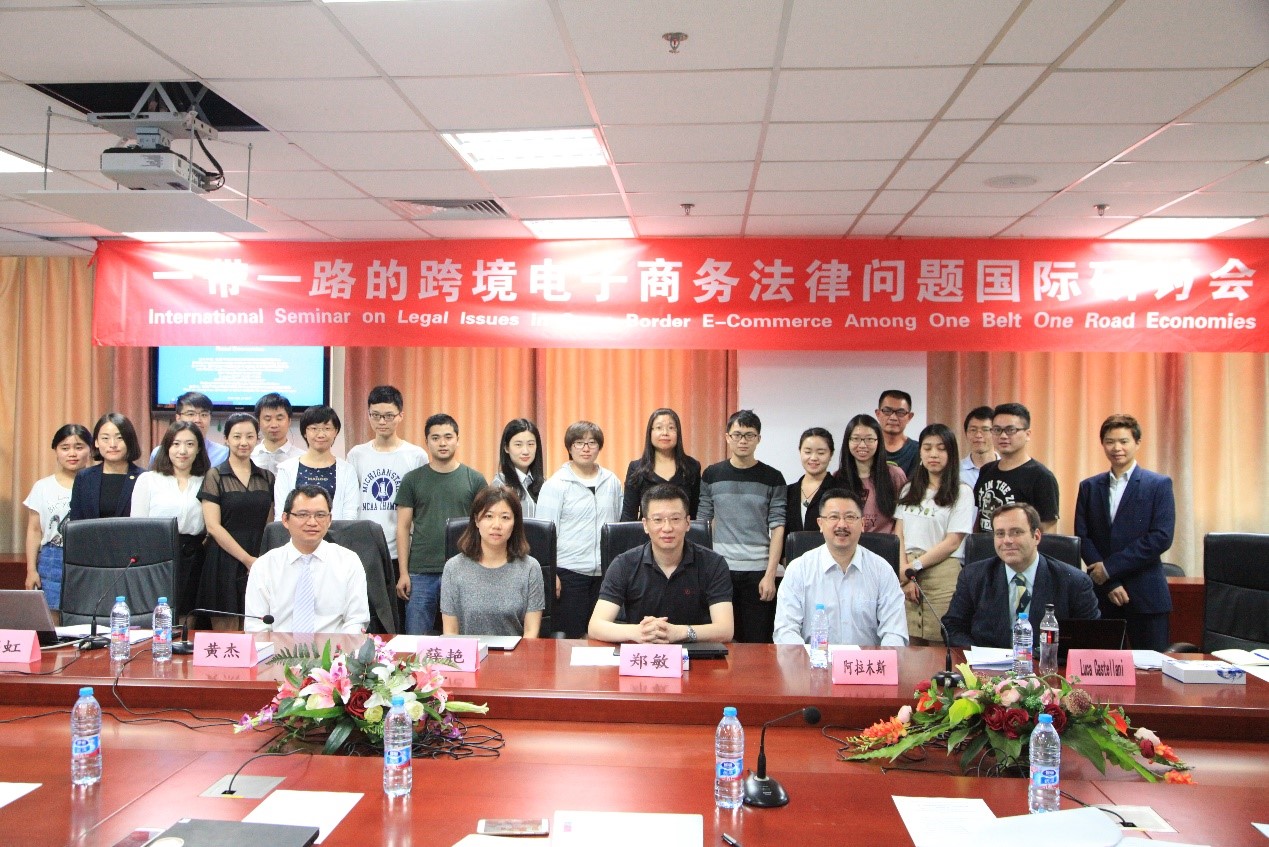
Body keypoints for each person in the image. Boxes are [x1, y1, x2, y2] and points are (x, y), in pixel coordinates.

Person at [1075, 414, 1176, 652]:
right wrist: (1109, 582)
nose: (1116, 448)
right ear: (1102, 444)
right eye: (1110, 442)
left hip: (1146, 595)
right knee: (1102, 665)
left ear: (1137, 443)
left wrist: (1109, 569)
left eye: (1124, 441)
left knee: (1151, 668)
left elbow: (1161, 537)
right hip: (1103, 593)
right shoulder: (1089, 486)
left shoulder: (1158, 484)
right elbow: (1083, 537)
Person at [589, 484, 734, 644]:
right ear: (645, 524)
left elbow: (725, 629)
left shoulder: (713, 564)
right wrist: (638, 632)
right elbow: (596, 626)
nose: (667, 528)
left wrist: (680, 632)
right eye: (657, 520)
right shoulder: (624, 564)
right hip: (642, 653)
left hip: (696, 653)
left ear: (687, 523)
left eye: (675, 519)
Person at [942, 503, 1099, 649]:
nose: (1007, 541)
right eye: (1000, 534)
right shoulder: (973, 576)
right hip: (987, 666)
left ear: (1036, 536)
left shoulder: (1075, 582)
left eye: (1016, 532)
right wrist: (980, 655)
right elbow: (952, 627)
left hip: (1047, 666)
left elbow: (1091, 638)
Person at [774, 489, 908, 647]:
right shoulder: (799, 569)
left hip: (866, 662)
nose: (842, 525)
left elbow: (895, 633)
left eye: (850, 517)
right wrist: (807, 659)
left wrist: (884, 659)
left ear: (862, 524)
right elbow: (785, 631)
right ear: (820, 524)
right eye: (834, 517)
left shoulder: (882, 570)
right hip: (813, 660)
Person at [697, 410, 785, 643]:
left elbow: (778, 526)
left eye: (749, 435)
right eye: (737, 435)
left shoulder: (773, 478)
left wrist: (770, 575)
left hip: (758, 571)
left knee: (756, 641)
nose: (743, 440)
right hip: (719, 568)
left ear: (758, 439)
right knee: (720, 639)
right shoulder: (712, 475)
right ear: (727, 437)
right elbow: (703, 522)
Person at [395, 414, 487, 634]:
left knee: (466, 637)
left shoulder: (474, 479)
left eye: (448, 437)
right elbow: (403, 528)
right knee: (415, 640)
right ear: (426, 442)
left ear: (458, 440)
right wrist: (403, 572)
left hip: (465, 568)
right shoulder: (412, 480)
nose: (442, 443)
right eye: (435, 438)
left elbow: (485, 526)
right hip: (421, 571)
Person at [536, 420, 623, 639]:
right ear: (569, 447)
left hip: (606, 573)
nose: (586, 448)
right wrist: (552, 574)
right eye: (579, 443)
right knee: (572, 639)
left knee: (602, 638)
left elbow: (618, 525)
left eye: (592, 443)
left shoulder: (612, 481)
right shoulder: (556, 484)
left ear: (599, 447)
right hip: (568, 573)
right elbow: (544, 536)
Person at [245, 485, 369, 635]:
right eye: (303, 515)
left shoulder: (349, 562)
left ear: (330, 519)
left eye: (320, 515)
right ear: (285, 519)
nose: (312, 522)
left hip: (333, 648)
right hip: (278, 649)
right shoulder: (264, 566)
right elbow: (256, 627)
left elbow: (356, 621)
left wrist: (339, 650)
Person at [896, 424, 975, 643]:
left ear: (951, 454)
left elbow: (953, 542)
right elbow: (899, 533)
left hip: (942, 571)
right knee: (909, 642)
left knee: (940, 641)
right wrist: (904, 572)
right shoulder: (909, 489)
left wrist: (913, 568)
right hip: (907, 570)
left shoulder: (962, 492)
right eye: (927, 447)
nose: (933, 454)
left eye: (941, 448)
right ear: (920, 452)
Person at [199, 413, 276, 630]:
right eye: (237, 436)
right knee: (227, 634)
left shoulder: (267, 477)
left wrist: (258, 561)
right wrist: (246, 559)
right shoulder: (215, 476)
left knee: (258, 629)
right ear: (226, 439)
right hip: (223, 560)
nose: (243, 442)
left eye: (250, 436)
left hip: (259, 558)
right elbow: (213, 526)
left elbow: (270, 522)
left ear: (257, 439)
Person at [440, 485, 545, 638]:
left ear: (515, 523)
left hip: (516, 652)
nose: (496, 525)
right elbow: (450, 632)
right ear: (476, 520)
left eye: (505, 517)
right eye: (489, 516)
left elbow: (531, 633)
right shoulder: (453, 568)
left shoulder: (530, 568)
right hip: (470, 652)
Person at [131, 421, 210, 622]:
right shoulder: (148, 480)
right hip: (156, 553)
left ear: (199, 448)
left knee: (188, 613)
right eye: (176, 444)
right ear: (166, 447)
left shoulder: (207, 480)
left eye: (190, 444)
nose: (182, 451)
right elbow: (136, 527)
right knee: (157, 612)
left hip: (194, 554)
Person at [347, 385, 426, 562]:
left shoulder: (416, 455)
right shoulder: (356, 455)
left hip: (402, 549)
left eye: (389, 416)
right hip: (364, 547)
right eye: (375, 415)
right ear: (368, 415)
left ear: (400, 416)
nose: (382, 422)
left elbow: (421, 504)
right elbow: (351, 503)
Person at [24, 424, 92, 621]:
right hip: (53, 556)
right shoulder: (43, 487)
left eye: (79, 447)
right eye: (65, 447)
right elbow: (34, 530)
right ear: (55, 450)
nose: (72, 453)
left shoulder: (95, 484)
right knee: (52, 617)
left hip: (89, 557)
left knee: (86, 615)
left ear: (90, 449)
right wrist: (31, 570)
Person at [973, 403, 1060, 533]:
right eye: (997, 430)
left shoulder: (1041, 477)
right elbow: (979, 515)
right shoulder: (986, 470)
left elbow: (1048, 529)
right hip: (984, 545)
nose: (1003, 436)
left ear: (1027, 434)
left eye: (1011, 430)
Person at [273, 405, 358, 521]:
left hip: (335, 532)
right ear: (304, 432)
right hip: (295, 532)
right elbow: (281, 515)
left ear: (335, 431)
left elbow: (350, 515)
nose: (321, 434)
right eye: (314, 428)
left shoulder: (347, 470)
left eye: (327, 428)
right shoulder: (286, 469)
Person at [620, 408, 702, 520]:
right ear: (650, 433)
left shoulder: (692, 467)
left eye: (671, 428)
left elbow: (694, 513)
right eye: (659, 428)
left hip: (681, 530)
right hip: (647, 530)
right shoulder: (637, 468)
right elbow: (628, 515)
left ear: (678, 433)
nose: (665, 433)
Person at [834, 414, 906, 535]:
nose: (862, 445)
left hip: (886, 544)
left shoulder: (895, 475)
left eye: (869, 439)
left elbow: (905, 516)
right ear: (848, 441)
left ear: (879, 441)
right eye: (856, 439)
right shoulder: (838, 478)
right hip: (851, 544)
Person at [68, 412, 145, 521]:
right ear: (96, 442)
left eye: (119, 437)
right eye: (105, 438)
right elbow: (75, 522)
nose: (112, 444)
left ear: (129, 441)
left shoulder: (144, 478)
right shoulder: (84, 477)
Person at [150, 391, 228, 468]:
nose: (197, 420)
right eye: (191, 414)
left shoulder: (223, 454)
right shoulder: (159, 453)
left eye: (204, 415)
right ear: (178, 418)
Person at [785, 427, 835, 536]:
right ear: (800, 452)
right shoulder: (788, 492)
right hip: (791, 548)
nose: (813, 458)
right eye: (808, 452)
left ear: (831, 454)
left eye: (821, 453)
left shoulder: (840, 490)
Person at [490, 418, 544, 519]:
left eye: (531, 444)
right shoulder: (500, 485)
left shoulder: (545, 484)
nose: (525, 451)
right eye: (518, 445)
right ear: (506, 448)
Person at [251, 393, 304, 475]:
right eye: (267, 419)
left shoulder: (302, 458)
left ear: (289, 421)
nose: (274, 425)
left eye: (279, 418)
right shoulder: (249, 457)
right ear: (258, 422)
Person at [876, 390, 919, 477]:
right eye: (887, 411)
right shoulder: (867, 447)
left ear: (909, 417)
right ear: (878, 414)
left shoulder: (918, 450)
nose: (893, 417)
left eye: (900, 412)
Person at [959, 406, 998, 490]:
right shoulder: (956, 471)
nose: (978, 435)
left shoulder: (1008, 469)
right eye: (973, 430)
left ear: (996, 433)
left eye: (985, 430)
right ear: (966, 433)